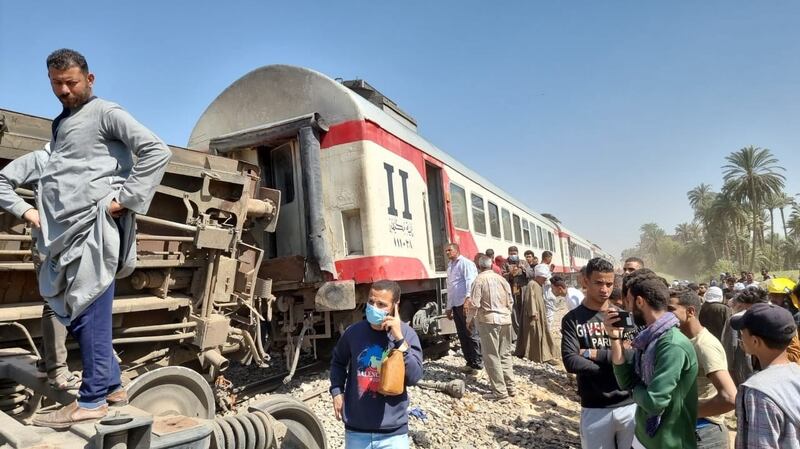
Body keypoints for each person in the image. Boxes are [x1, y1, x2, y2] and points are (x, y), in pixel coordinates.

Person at [0, 49, 171, 428]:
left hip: (94, 230)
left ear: (89, 79)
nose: (64, 90)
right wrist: (31, 213)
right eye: (56, 83)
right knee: (74, 312)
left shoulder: (106, 113)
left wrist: (123, 201)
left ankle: (92, 400)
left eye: (71, 82)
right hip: (63, 236)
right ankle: (111, 385)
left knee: (89, 310)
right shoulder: (62, 125)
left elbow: (156, 151)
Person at [605, 269, 698, 449]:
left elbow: (654, 403)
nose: (627, 309)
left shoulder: (671, 345)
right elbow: (624, 381)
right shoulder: (648, 339)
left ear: (640, 301)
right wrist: (614, 338)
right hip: (644, 438)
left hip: (668, 443)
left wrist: (633, 390)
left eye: (629, 302)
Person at [330, 280, 424, 449]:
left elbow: (414, 377)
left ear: (395, 306)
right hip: (356, 431)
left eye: (381, 304)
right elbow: (338, 361)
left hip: (393, 434)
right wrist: (337, 391)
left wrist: (399, 339)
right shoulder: (353, 332)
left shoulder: (407, 334)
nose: (374, 308)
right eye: (371, 302)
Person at [561, 258, 636, 449]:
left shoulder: (622, 317)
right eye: (599, 283)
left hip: (629, 406)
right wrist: (616, 364)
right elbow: (571, 361)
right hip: (595, 407)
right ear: (585, 281)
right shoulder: (573, 319)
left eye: (609, 284)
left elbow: (632, 357)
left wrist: (590, 353)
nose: (605, 289)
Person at [668, 289, 737, 449]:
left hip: (705, 433)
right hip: (687, 430)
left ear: (690, 311)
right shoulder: (682, 340)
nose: (665, 314)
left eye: (671, 310)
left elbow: (730, 397)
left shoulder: (705, 345)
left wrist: (687, 412)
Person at [732, 303, 800, 449]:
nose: (740, 338)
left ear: (755, 341)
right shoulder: (796, 374)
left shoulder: (758, 392)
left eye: (742, 334)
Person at [467, 255, 516, 400]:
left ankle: (500, 392)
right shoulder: (502, 280)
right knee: (505, 354)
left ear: (478, 266)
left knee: (491, 355)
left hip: (489, 321)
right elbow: (510, 301)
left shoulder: (479, 280)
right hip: (506, 320)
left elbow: (474, 304)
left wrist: (468, 320)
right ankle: (511, 387)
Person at [444, 243, 482, 373]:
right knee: (462, 334)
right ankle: (469, 362)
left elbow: (470, 281)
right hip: (455, 304)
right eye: (446, 251)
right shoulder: (450, 266)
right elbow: (450, 287)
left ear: (457, 250)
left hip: (464, 303)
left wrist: (468, 299)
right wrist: (448, 307)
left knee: (471, 332)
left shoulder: (465, 263)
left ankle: (478, 363)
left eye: (449, 250)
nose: (447, 252)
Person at [516, 264, 559, 364]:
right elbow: (530, 300)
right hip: (534, 315)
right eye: (543, 278)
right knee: (536, 334)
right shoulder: (532, 284)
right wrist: (533, 313)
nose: (544, 281)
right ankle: (538, 355)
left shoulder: (537, 284)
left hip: (539, 312)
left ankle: (542, 353)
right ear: (538, 276)